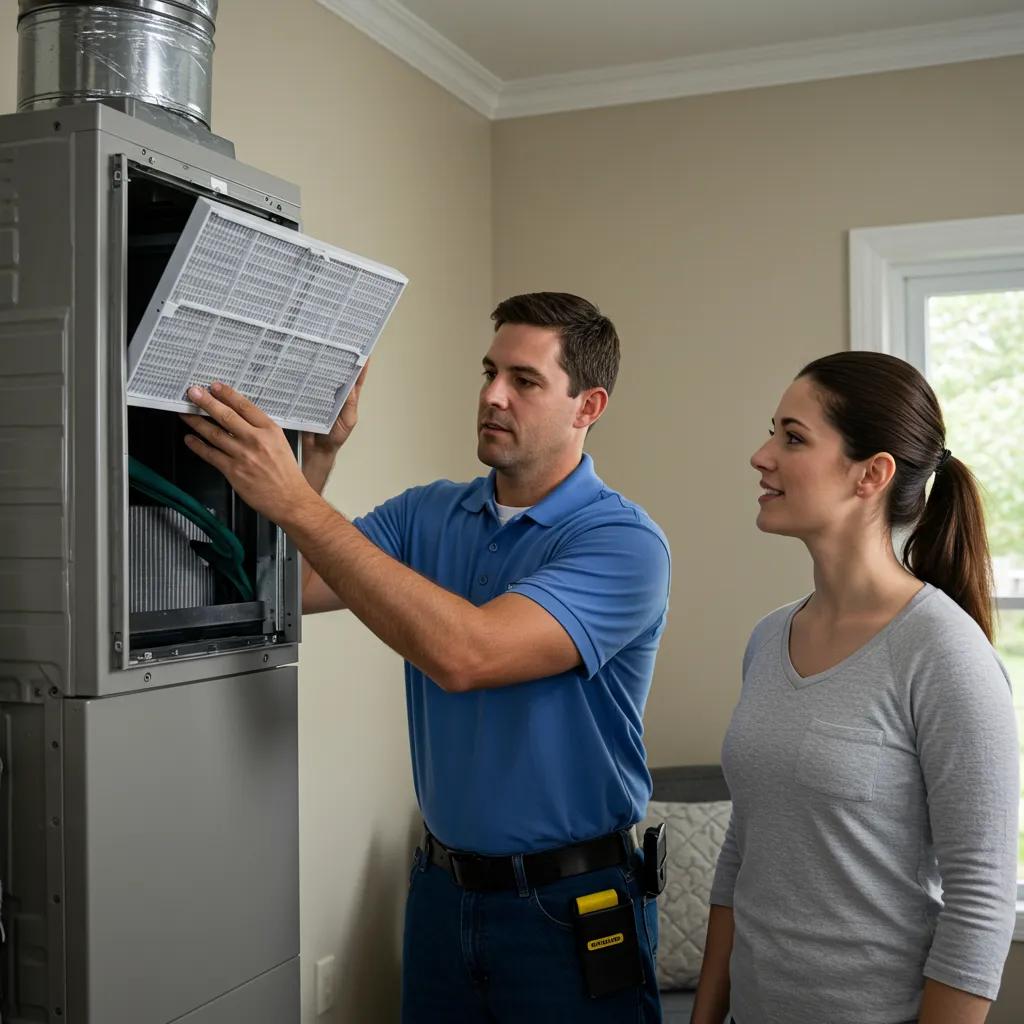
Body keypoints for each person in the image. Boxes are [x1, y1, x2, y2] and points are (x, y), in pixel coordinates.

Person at [179, 292, 671, 1022]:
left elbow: (467, 654)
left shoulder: (623, 543)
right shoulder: (427, 513)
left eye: (525, 381)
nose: (492, 396)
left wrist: (296, 503)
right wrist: (316, 466)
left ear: (586, 405)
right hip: (442, 895)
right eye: (489, 371)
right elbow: (291, 589)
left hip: (572, 907)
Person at [691, 351, 1019, 1024]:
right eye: (771, 432)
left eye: (792, 437)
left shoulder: (945, 655)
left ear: (871, 474)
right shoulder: (767, 640)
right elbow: (743, 849)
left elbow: (980, 899)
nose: (762, 455)